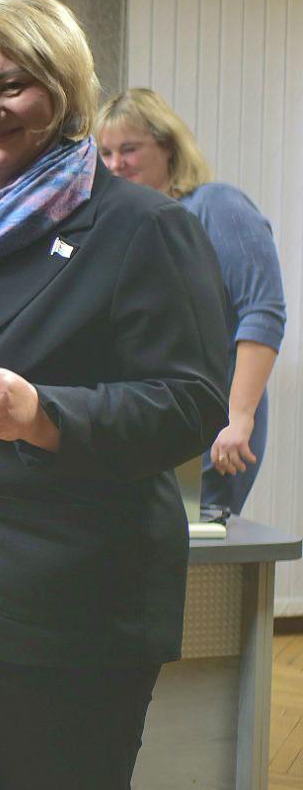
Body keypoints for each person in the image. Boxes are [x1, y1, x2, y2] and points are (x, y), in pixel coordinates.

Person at [0, 0, 229, 790]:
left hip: (65, 622)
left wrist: (42, 414)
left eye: (13, 86)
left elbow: (191, 401)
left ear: (62, 89)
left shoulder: (142, 226)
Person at [97, 87, 286, 514]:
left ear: (168, 147)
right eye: (105, 153)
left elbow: (263, 311)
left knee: (194, 543)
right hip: (150, 425)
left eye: (129, 149)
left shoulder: (216, 205)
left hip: (215, 428)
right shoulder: (129, 227)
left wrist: (239, 418)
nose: (115, 164)